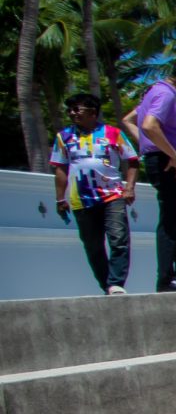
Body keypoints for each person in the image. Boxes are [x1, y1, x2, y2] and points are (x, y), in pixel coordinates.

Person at [126, 59, 176, 292]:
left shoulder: (155, 91)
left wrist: (147, 144)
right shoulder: (166, 94)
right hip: (170, 163)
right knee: (173, 221)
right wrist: (170, 153)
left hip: (169, 160)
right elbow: (150, 125)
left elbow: (129, 120)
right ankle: (167, 277)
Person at [48, 93, 140, 295]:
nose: (72, 113)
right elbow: (60, 169)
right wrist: (60, 198)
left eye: (77, 109)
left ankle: (116, 282)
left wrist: (129, 187)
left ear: (92, 112)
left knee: (118, 238)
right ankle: (106, 285)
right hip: (81, 198)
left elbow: (132, 160)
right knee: (92, 245)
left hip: (112, 194)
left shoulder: (112, 133)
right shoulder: (63, 137)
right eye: (70, 110)